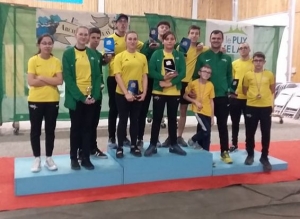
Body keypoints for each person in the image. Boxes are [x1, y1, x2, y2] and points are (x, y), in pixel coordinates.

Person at [162, 25, 209, 147]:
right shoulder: (180, 47)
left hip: (190, 84)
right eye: (192, 33)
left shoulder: (202, 48)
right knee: (172, 112)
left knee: (183, 111)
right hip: (177, 81)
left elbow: (214, 49)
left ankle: (179, 136)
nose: (194, 35)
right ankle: (170, 136)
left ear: (199, 35)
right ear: (188, 34)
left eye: (196, 33)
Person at [62, 26, 102, 170]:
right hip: (76, 98)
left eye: (86, 35)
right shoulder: (68, 54)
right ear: (76, 35)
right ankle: (74, 158)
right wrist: (81, 97)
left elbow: (97, 76)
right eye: (81, 34)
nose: (84, 37)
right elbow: (68, 78)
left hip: (91, 98)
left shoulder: (92, 53)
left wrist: (94, 96)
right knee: (76, 129)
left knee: (87, 129)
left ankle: (85, 158)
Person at [192, 30, 233, 164]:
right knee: (203, 127)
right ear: (210, 40)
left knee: (222, 125)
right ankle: (203, 153)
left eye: (218, 38)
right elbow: (195, 76)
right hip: (204, 98)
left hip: (221, 96)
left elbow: (229, 76)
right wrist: (194, 93)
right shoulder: (203, 56)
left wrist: (229, 89)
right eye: (213, 38)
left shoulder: (227, 58)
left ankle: (224, 152)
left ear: (222, 40)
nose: (216, 40)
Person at [144, 31, 186, 157]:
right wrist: (162, 78)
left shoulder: (179, 55)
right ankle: (153, 145)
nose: (169, 41)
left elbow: (183, 73)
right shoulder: (157, 53)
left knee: (173, 119)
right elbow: (151, 71)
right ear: (163, 41)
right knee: (157, 118)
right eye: (167, 39)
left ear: (175, 41)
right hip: (159, 91)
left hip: (174, 92)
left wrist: (170, 83)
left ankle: (174, 144)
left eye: (172, 39)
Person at [105, 14, 143, 148]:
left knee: (127, 112)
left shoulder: (132, 39)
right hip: (114, 77)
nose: (122, 24)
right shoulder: (109, 39)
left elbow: (146, 48)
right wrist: (107, 59)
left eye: (125, 22)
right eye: (120, 21)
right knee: (114, 109)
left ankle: (124, 137)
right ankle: (111, 137)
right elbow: (106, 60)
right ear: (115, 24)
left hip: (130, 80)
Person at [27, 34, 63, 173]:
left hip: (52, 100)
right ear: (39, 45)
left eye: (49, 43)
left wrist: (41, 77)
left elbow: (59, 81)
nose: (47, 45)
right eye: (44, 43)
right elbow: (31, 82)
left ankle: (48, 158)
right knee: (35, 131)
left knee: (50, 130)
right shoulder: (32, 61)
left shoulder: (56, 61)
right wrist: (50, 79)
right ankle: (37, 158)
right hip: (35, 100)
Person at [114, 31, 148, 158]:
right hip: (122, 94)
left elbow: (144, 76)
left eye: (135, 39)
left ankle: (134, 145)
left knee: (135, 120)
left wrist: (144, 92)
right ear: (125, 41)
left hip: (137, 94)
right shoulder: (119, 57)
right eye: (130, 39)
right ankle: (120, 147)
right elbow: (117, 75)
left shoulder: (142, 57)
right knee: (123, 120)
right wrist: (126, 93)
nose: (132, 41)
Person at [138, 21, 171, 148]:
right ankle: (139, 138)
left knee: (158, 113)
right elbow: (142, 57)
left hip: (161, 82)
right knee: (142, 110)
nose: (164, 29)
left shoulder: (169, 44)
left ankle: (155, 139)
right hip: (147, 80)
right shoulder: (147, 43)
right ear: (157, 30)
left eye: (166, 28)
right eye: (162, 27)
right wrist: (149, 48)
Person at [77, 27, 107, 159]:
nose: (95, 40)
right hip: (84, 94)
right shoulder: (84, 54)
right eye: (93, 37)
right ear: (88, 38)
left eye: (98, 38)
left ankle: (92, 147)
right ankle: (80, 149)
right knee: (83, 124)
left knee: (94, 122)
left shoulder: (99, 55)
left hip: (97, 94)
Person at [242, 52, 274, 172]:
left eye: (260, 60)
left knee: (266, 133)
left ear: (264, 62)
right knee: (250, 132)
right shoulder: (248, 75)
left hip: (265, 107)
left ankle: (264, 157)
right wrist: (253, 96)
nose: (258, 63)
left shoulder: (269, 74)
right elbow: (245, 90)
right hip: (251, 106)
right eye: (256, 60)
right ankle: (250, 154)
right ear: (253, 62)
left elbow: (272, 90)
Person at [184, 65, 214, 151]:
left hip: (207, 112)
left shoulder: (210, 85)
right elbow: (185, 96)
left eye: (208, 72)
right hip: (198, 111)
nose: (206, 73)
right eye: (204, 71)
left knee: (207, 135)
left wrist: (212, 116)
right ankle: (192, 140)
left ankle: (206, 153)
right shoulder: (193, 83)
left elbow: (211, 101)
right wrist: (195, 102)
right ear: (199, 73)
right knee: (206, 130)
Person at [229, 43, 253, 152]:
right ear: (238, 51)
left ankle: (249, 146)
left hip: (249, 99)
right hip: (236, 98)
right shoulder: (234, 64)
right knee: (235, 123)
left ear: (249, 50)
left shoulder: (254, 63)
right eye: (241, 48)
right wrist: (231, 92)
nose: (243, 50)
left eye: (245, 48)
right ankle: (234, 144)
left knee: (249, 124)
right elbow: (231, 80)